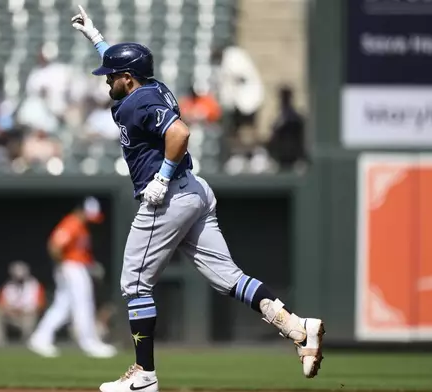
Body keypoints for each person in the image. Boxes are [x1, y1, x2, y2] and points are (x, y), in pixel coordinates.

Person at [70, 6, 325, 392]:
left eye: (111, 76)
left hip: (168, 196)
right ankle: (296, 326)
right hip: (195, 191)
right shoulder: (148, 87)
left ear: (127, 78)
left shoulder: (139, 100)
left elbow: (180, 134)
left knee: (135, 284)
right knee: (230, 279)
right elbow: (128, 76)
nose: (106, 82)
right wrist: (97, 38)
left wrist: (161, 178)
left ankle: (144, 376)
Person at [27, 196, 117, 358]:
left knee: (62, 306)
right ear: (81, 210)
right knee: (83, 303)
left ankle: (40, 337)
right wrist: (62, 265)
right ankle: (88, 342)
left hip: (76, 266)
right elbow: (54, 246)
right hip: (71, 267)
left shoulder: (81, 226)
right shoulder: (72, 223)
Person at [0, 261, 46, 347]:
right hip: (11, 315)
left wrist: (25, 311)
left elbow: (39, 305)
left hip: (27, 315)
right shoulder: (8, 286)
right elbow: (0, 303)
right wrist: (8, 310)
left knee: (30, 318)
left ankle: (27, 343)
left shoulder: (35, 285)